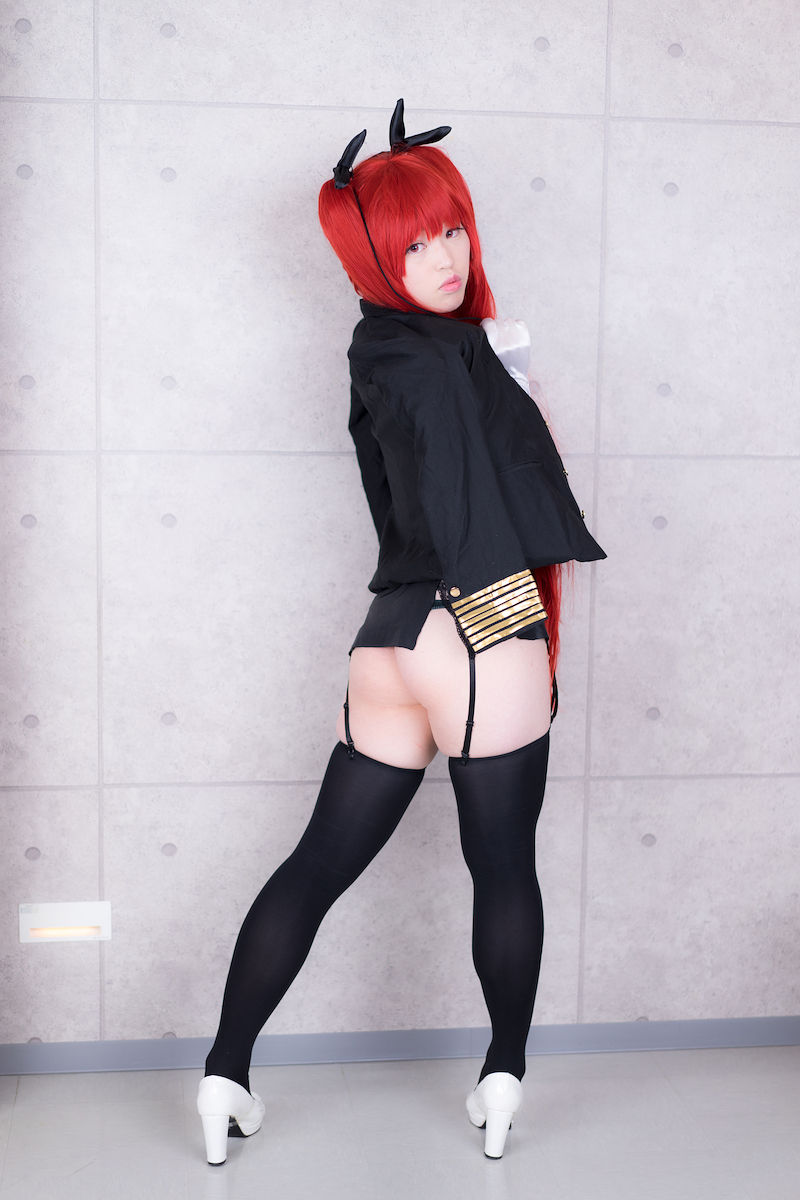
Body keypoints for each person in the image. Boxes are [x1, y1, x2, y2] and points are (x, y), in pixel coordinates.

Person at [197, 99, 605, 1164]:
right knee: (503, 871)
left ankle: (225, 1074)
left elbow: (410, 498)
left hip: (388, 639)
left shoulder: (376, 349)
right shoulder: (448, 358)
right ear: (373, 253)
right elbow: (480, 504)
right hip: (479, 623)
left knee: (316, 863)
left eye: (452, 229)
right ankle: (501, 1076)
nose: (445, 256)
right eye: (415, 242)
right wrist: (511, 402)